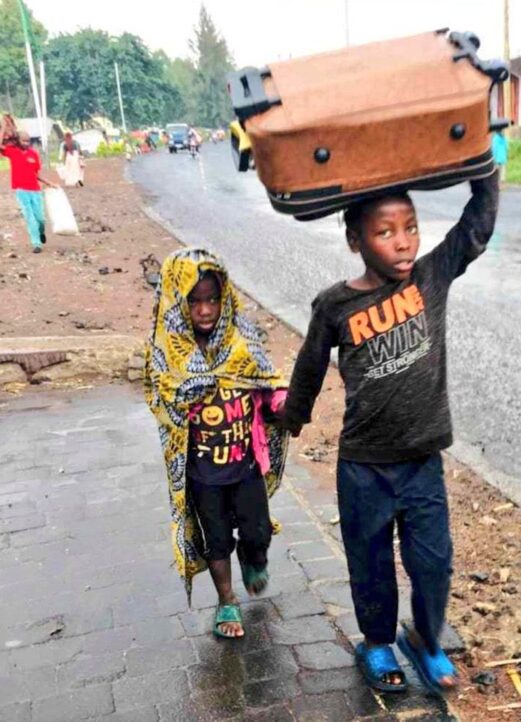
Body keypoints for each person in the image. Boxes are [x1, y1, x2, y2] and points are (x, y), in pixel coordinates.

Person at [280, 171, 499, 694]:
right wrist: (291, 417)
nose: (403, 242)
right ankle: (377, 642)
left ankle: (425, 639)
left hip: (422, 461)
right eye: (385, 232)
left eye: (410, 227)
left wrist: (486, 177)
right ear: (356, 240)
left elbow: (474, 231)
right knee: (370, 561)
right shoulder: (334, 305)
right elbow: (310, 367)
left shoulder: (431, 277)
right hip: (364, 467)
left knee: (433, 561)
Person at [144, 247, 289, 638]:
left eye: (212, 299)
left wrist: (282, 402)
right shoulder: (169, 354)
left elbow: (267, 384)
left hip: (246, 467)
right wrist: (186, 398)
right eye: (194, 302)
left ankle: (254, 557)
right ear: (178, 303)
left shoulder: (242, 342)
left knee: (257, 530)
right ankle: (227, 602)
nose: (205, 310)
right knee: (216, 540)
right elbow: (159, 397)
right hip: (203, 473)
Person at [0, 117, 59, 254]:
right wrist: (3, 127)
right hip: (21, 191)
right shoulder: (12, 152)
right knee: (29, 217)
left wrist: (49, 183)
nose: (26, 143)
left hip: (35, 191)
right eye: (23, 141)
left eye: (28, 141)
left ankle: (41, 231)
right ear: (18, 142)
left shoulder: (34, 155)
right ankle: (36, 243)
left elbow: (36, 174)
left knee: (40, 218)